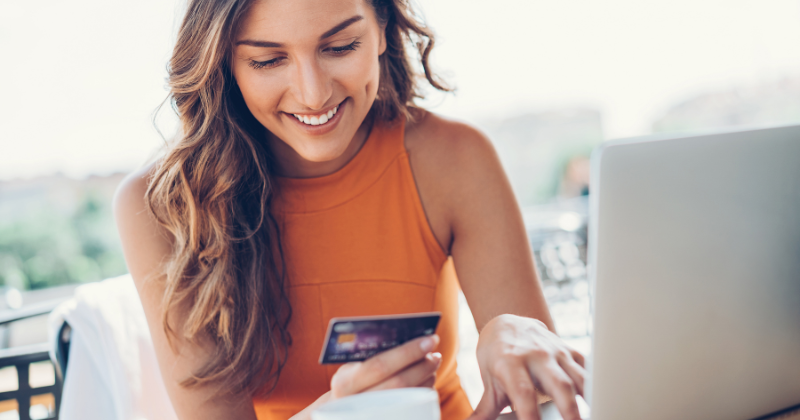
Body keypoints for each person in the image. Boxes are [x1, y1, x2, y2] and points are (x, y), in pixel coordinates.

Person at [113, 0, 586, 419]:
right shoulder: (162, 208)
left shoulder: (454, 160)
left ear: (381, 28)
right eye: (267, 59)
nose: (313, 94)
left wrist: (511, 331)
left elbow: (543, 403)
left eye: (340, 47)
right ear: (225, 63)